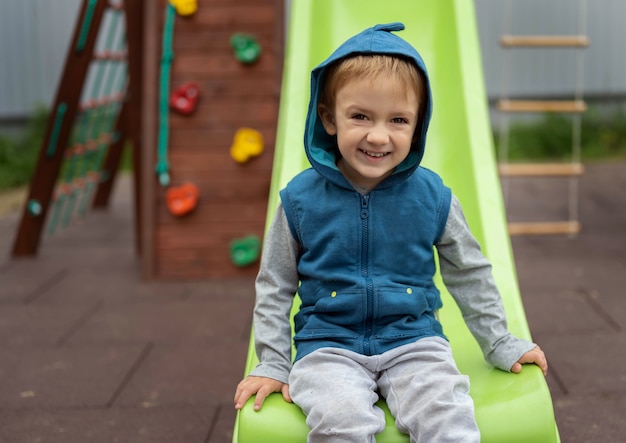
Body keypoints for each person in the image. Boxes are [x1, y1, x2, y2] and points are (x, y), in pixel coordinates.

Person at [234, 22, 548, 442]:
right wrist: (272, 362)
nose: (378, 136)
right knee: (339, 421)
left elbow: (469, 272)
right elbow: (275, 285)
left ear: (417, 125)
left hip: (414, 341)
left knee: (447, 418)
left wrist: (498, 341)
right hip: (328, 347)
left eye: (398, 120)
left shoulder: (432, 197)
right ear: (328, 118)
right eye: (360, 116)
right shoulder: (300, 201)